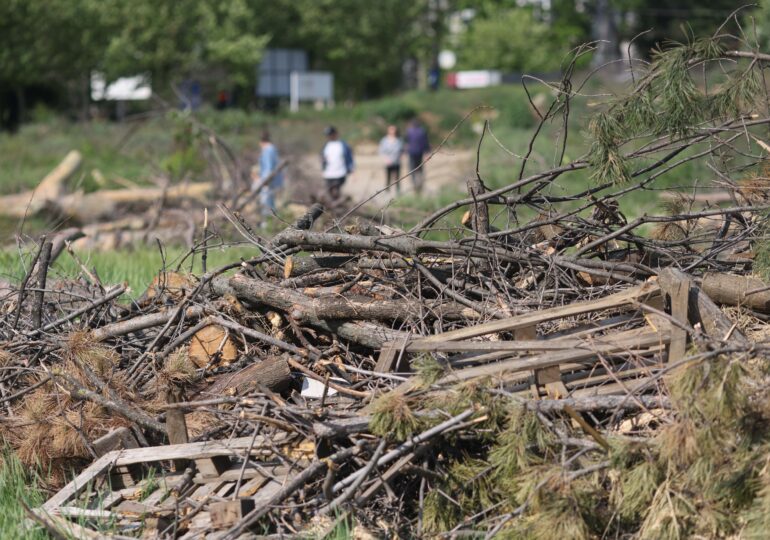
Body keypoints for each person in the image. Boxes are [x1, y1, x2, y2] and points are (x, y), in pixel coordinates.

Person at [252, 131, 284, 223]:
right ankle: (272, 223)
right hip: (270, 181)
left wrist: (264, 181)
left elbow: (269, 168)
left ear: (261, 142)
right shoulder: (272, 149)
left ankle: (266, 224)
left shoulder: (268, 150)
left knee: (266, 203)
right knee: (270, 203)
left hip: (268, 182)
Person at [321, 126, 354, 199]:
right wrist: (323, 165)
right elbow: (323, 158)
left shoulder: (343, 145)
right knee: (329, 191)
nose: (329, 136)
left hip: (340, 173)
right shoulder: (326, 146)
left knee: (336, 190)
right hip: (328, 174)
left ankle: (338, 204)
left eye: (330, 134)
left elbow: (349, 158)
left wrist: (351, 170)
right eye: (328, 135)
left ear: (336, 134)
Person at [404, 119, 430, 194]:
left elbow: (406, 141)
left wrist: (405, 151)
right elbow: (426, 142)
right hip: (419, 152)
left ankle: (414, 183)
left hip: (411, 152)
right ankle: (419, 182)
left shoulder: (409, 131)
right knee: (420, 167)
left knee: (412, 167)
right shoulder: (422, 131)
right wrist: (427, 151)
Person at [378, 125, 403, 194]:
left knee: (397, 177)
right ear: (388, 131)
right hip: (388, 162)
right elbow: (381, 151)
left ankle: (398, 191)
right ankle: (387, 191)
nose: (392, 131)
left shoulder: (399, 140)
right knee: (388, 177)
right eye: (391, 130)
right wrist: (386, 159)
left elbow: (401, 150)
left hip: (397, 162)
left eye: (394, 129)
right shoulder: (384, 140)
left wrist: (400, 157)